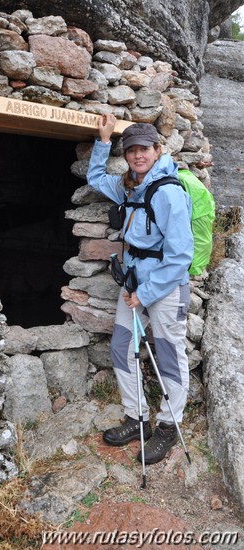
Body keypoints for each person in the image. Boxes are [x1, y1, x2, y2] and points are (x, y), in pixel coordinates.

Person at [87, 115, 194, 464]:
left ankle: (168, 426)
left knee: (169, 357)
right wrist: (103, 142)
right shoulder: (129, 186)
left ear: (157, 150)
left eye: (144, 149)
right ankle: (138, 418)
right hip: (134, 283)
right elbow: (95, 178)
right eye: (131, 150)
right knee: (122, 346)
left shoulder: (169, 193)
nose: (137, 155)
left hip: (163, 288)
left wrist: (145, 294)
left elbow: (180, 257)